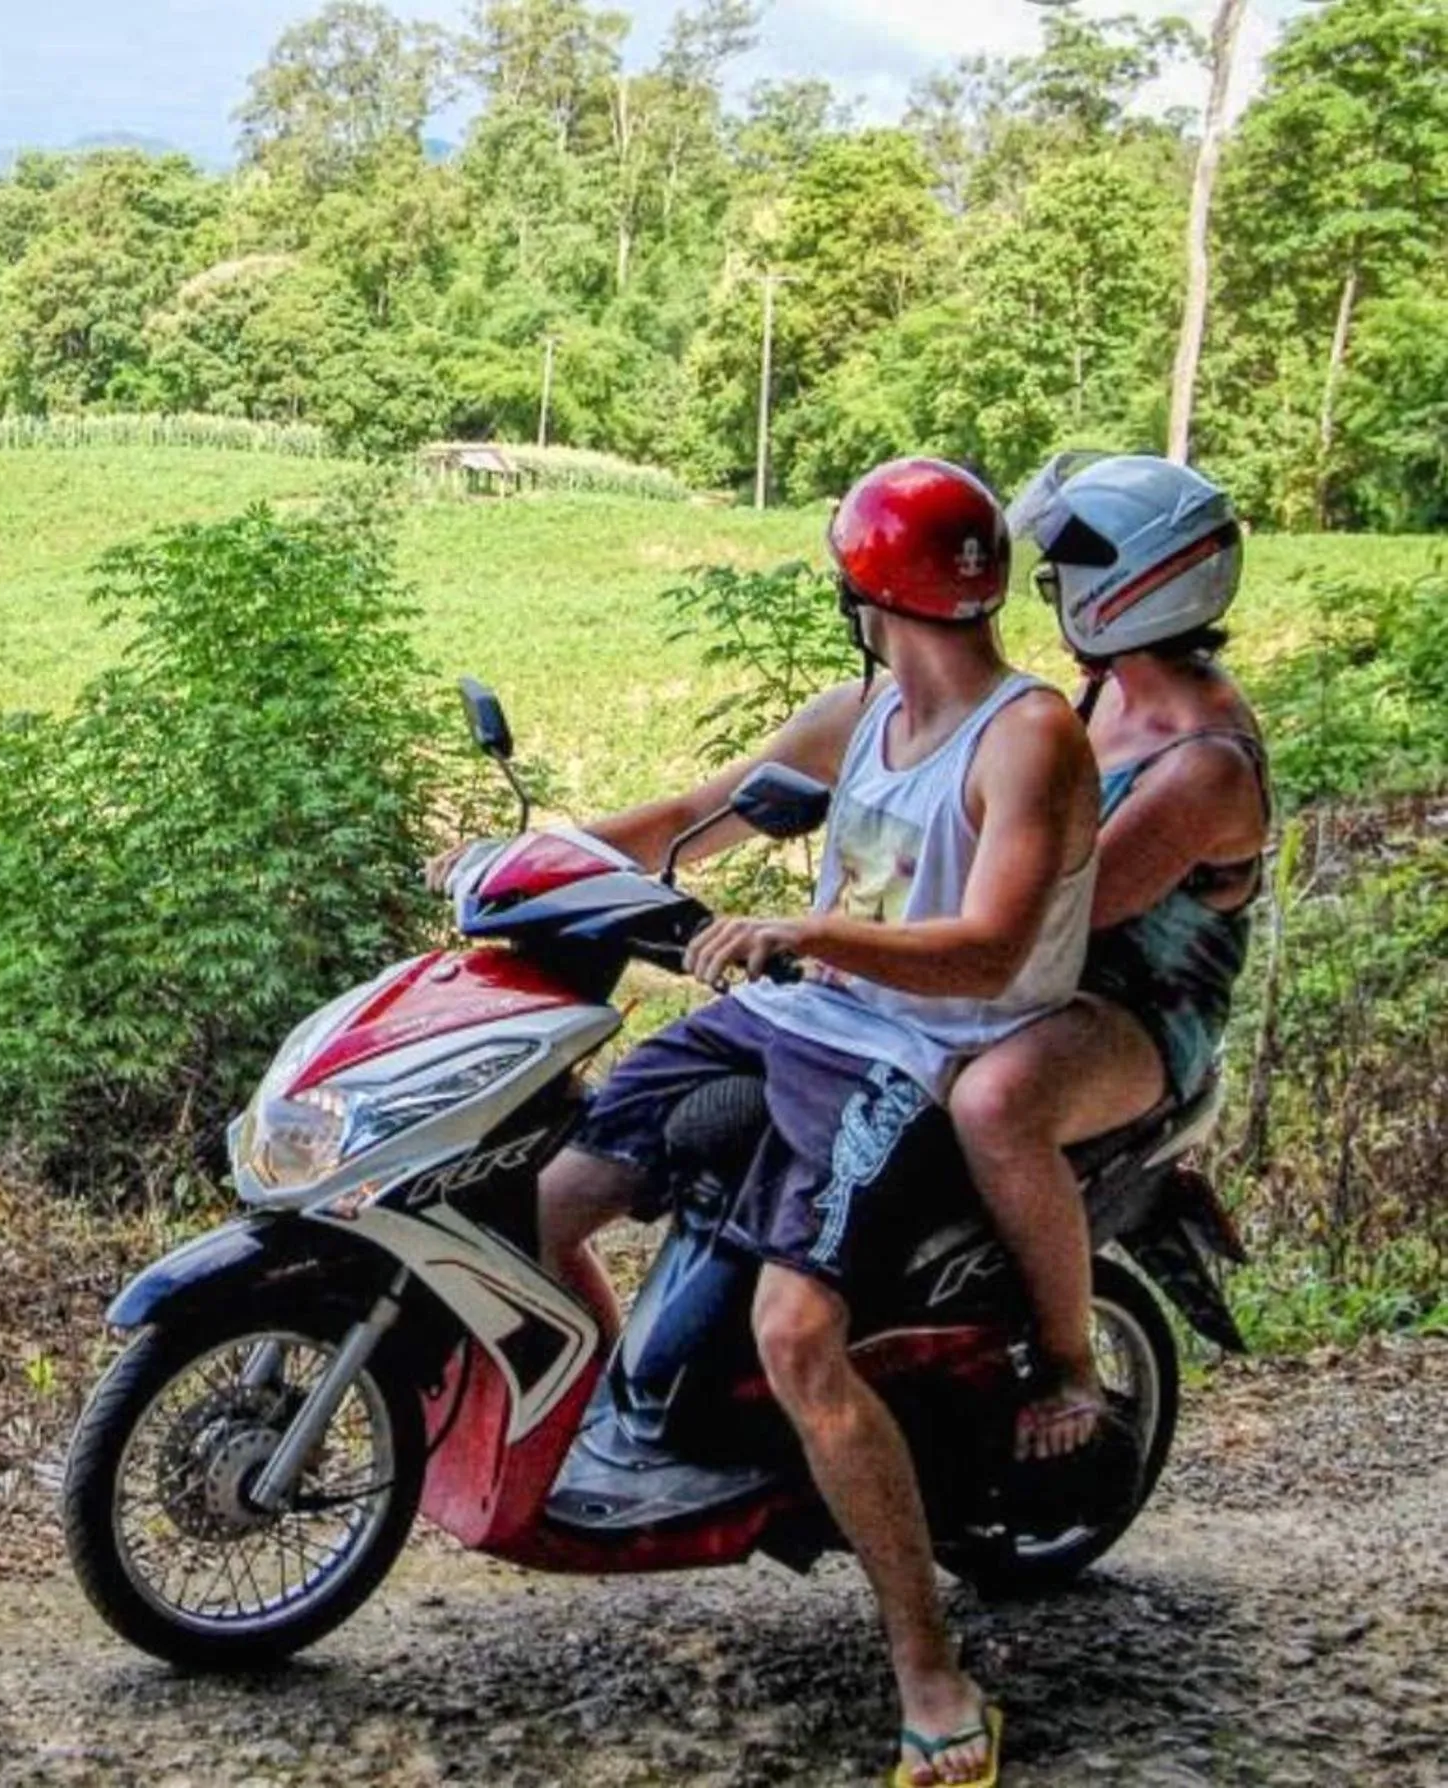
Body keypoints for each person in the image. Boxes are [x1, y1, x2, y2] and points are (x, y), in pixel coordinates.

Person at [434, 457, 1100, 1788]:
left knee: (797, 1335)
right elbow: (690, 821)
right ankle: (623, 1428)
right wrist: (519, 868)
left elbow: (990, 950)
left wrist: (807, 932)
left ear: (863, 589)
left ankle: (928, 1665)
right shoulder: (856, 714)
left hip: (917, 1053)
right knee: (539, 1208)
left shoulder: (1030, 736)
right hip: (789, 1019)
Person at [954, 454, 1268, 1464]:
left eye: (1068, 570)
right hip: (1050, 969)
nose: (1053, 588)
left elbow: (1065, 914)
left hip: (1136, 1008)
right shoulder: (1101, 692)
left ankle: (1067, 1359)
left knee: (994, 1105)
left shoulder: (1200, 764)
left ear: (1133, 583)